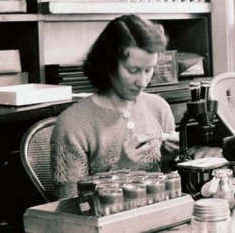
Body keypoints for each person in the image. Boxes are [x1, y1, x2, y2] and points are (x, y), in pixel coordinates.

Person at [50, 15, 180, 198]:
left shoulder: (159, 108)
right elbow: (70, 206)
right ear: (108, 64)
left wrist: (168, 159)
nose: (142, 82)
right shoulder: (72, 125)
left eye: (149, 70)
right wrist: (121, 169)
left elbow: (168, 189)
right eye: (133, 71)